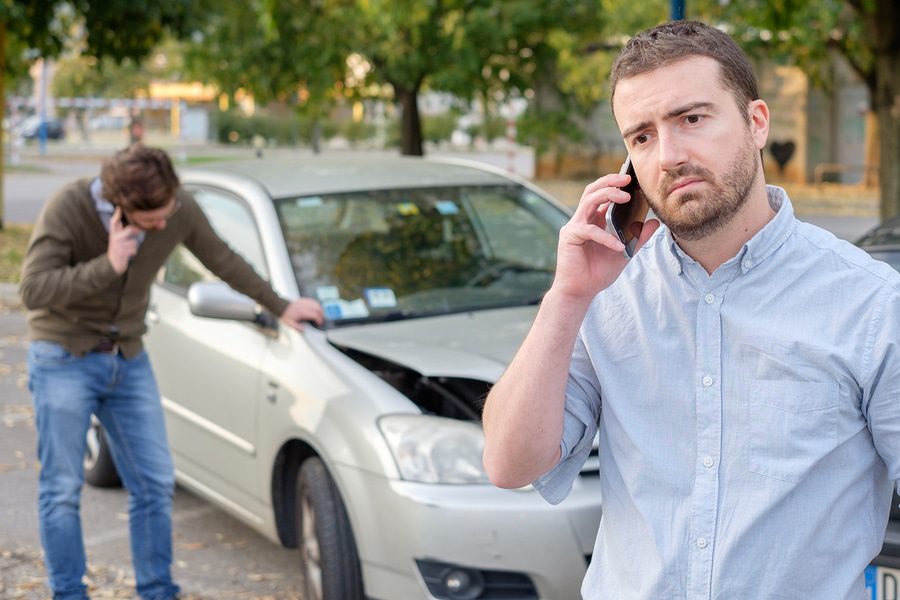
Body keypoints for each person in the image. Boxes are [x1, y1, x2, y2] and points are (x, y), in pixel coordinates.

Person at [482, 20, 900, 600]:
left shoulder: (872, 304)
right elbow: (509, 464)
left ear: (756, 123)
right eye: (643, 137)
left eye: (691, 119)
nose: (670, 156)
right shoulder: (605, 295)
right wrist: (567, 297)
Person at [19, 144, 324, 600]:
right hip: (63, 358)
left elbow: (221, 258)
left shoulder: (175, 205)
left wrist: (280, 306)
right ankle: (68, 593)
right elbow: (33, 289)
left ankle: (158, 591)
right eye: (153, 221)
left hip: (128, 358)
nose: (165, 225)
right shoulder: (69, 206)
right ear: (121, 208)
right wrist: (109, 265)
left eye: (168, 212)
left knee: (155, 482)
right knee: (62, 491)